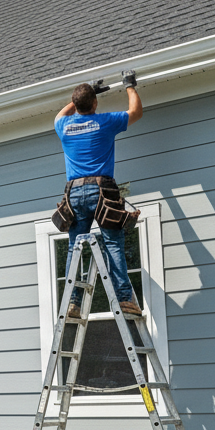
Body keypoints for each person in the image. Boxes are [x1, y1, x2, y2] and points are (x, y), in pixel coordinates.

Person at [54, 70, 144, 318]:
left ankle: (73, 302)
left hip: (74, 194)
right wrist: (129, 85)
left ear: (76, 104)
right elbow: (136, 112)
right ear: (94, 103)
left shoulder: (63, 126)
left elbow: (60, 114)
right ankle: (125, 298)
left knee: (75, 246)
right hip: (102, 191)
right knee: (113, 243)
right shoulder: (105, 122)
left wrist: (84, 96)